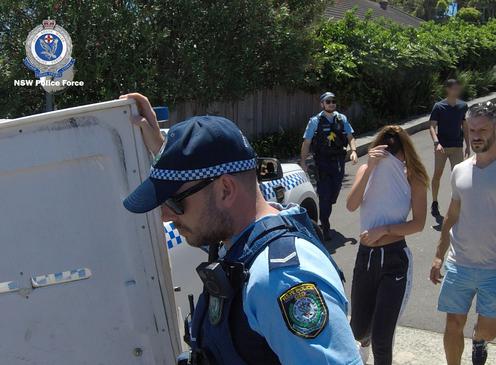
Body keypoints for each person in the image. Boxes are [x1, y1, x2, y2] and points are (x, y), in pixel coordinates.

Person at [121, 93, 362, 365]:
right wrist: (165, 152)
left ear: (225, 189)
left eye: (174, 202)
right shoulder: (241, 241)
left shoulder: (282, 278)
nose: (165, 215)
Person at [429, 102, 496, 365]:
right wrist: (439, 254)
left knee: (489, 330)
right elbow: (452, 216)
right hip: (459, 265)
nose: (476, 135)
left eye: (483, 130)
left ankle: (479, 341)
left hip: (495, 268)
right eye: (471, 129)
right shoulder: (460, 170)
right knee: (453, 324)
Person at [346, 126, 429, 365]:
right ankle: (366, 341)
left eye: (395, 151)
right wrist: (370, 167)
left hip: (394, 260)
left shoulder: (414, 176)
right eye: (385, 148)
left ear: (405, 152)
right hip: (366, 259)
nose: (390, 156)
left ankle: (377, 342)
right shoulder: (367, 169)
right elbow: (351, 205)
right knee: (359, 330)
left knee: (383, 338)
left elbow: (419, 223)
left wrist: (384, 230)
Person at [301, 92, 358, 241]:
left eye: (333, 101)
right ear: (322, 104)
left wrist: (354, 151)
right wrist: (303, 161)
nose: (331, 104)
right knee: (325, 195)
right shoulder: (315, 121)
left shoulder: (341, 118)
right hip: (322, 162)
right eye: (328, 101)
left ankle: (325, 215)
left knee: (333, 194)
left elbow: (350, 136)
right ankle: (325, 224)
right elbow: (306, 142)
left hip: (338, 163)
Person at [428, 79, 470, 228]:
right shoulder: (439, 107)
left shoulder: (463, 106)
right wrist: (436, 142)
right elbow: (432, 126)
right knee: (437, 175)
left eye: (458, 88)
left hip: (457, 146)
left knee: (458, 177)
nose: (457, 91)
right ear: (448, 89)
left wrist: (468, 145)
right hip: (442, 147)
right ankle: (434, 202)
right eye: (454, 88)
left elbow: (465, 126)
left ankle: (457, 205)